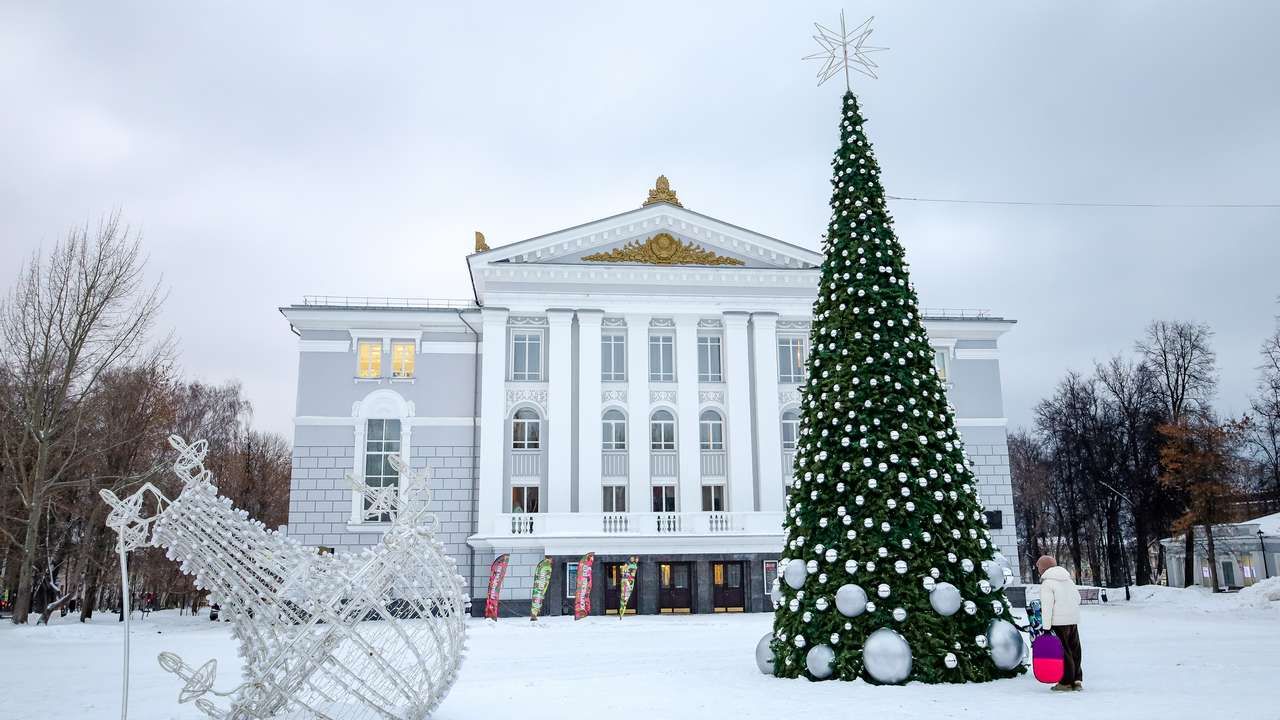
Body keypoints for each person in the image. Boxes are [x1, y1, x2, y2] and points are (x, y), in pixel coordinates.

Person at [1037, 555, 1083, 692]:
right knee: (1075, 650)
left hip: (1058, 622)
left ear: (1043, 568)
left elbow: (1047, 607)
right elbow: (1078, 598)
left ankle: (1065, 682)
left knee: (1064, 652)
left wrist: (1046, 628)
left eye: (1038, 566)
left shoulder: (1047, 583)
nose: (1037, 569)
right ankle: (1077, 680)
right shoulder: (1068, 580)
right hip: (1073, 620)